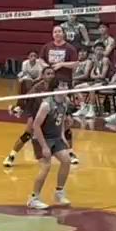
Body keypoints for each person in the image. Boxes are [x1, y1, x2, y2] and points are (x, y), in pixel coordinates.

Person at [27, 76, 74, 210]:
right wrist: (44, 146)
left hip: (55, 137)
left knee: (66, 160)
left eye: (66, 86)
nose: (66, 88)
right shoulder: (46, 105)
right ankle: (33, 198)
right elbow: (36, 126)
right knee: (46, 166)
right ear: (55, 89)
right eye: (62, 86)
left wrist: (62, 135)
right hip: (41, 138)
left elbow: (61, 119)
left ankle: (59, 193)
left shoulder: (65, 101)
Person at [3, 76, 50, 168]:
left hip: (50, 114)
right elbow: (27, 98)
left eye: (52, 73)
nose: (51, 75)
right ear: (43, 75)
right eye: (48, 73)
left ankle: (70, 153)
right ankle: (11, 156)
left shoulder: (55, 86)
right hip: (36, 113)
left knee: (61, 132)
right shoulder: (37, 87)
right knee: (27, 135)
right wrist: (18, 108)